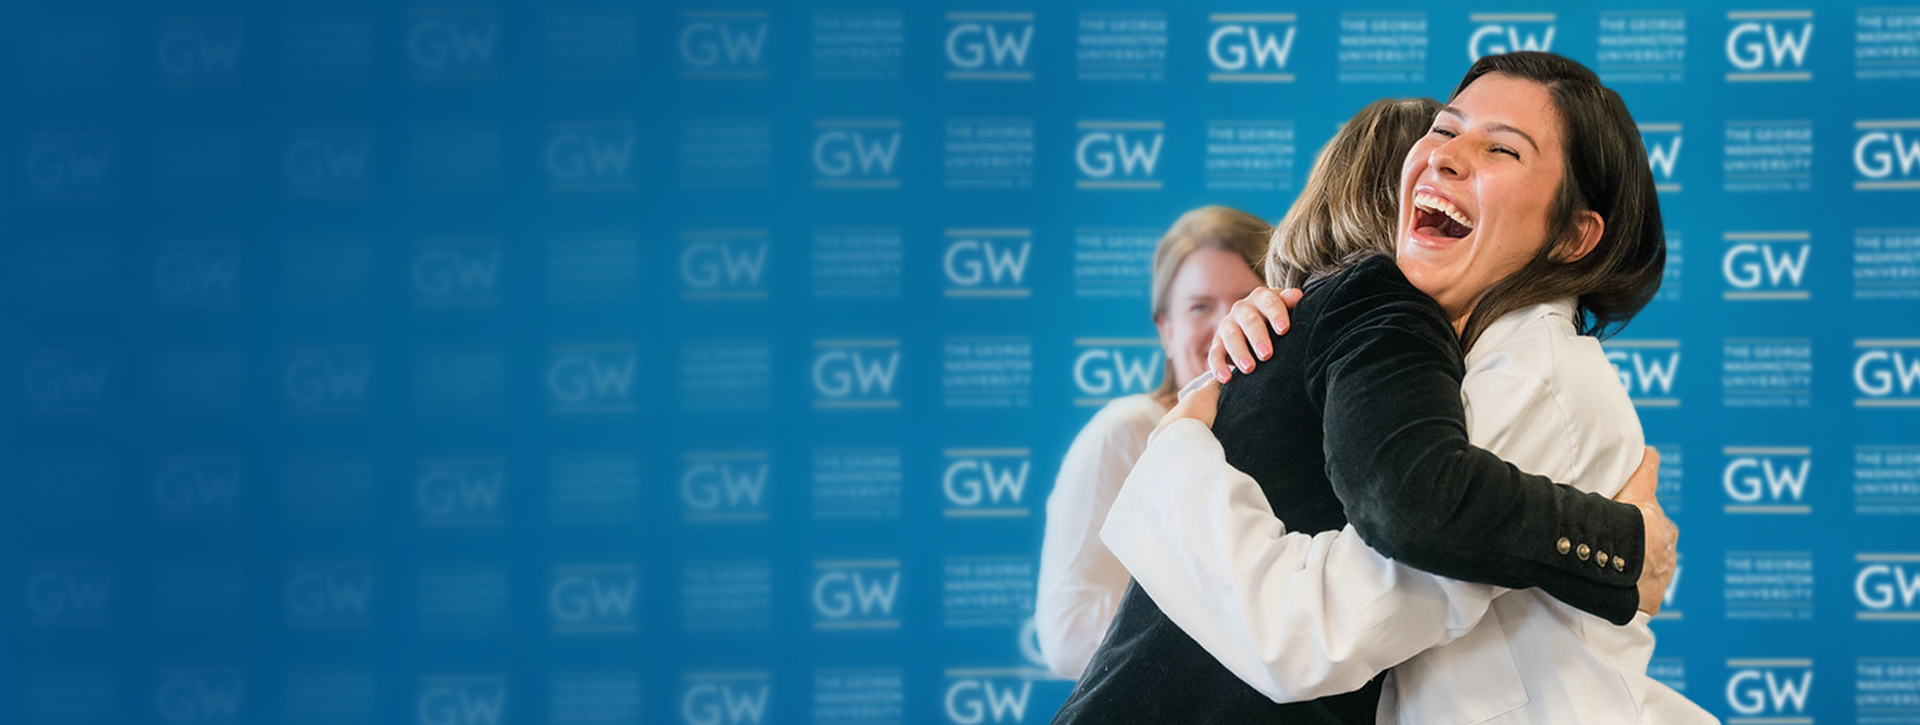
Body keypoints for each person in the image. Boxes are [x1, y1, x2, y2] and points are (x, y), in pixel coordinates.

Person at [1051, 54, 1688, 725]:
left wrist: (1178, 448)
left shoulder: (1533, 369)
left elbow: (1316, 628)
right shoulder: (1419, 341)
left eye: (1502, 148)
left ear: (1574, 234)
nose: (1447, 157)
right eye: (1444, 131)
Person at [1034, 206, 1267, 679]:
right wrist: (1242, 643)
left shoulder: (1302, 437)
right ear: (1166, 329)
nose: (1226, 324)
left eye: (1245, 299)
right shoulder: (1126, 432)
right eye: (1200, 307)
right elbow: (1066, 630)